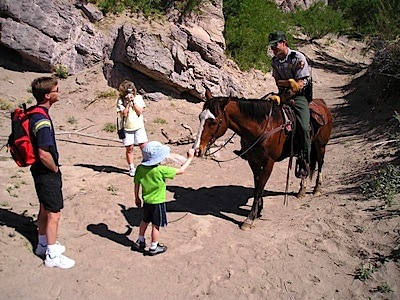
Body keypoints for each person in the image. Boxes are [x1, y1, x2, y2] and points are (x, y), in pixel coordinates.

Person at [30, 77, 75, 269]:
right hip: (47, 172)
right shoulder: (42, 121)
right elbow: (43, 153)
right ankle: (52, 255)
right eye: (57, 89)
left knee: (44, 208)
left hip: (38, 171)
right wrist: (55, 169)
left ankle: (42, 244)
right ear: (48, 95)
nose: (59, 92)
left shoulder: (34, 113)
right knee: (54, 214)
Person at [134, 141, 195, 256]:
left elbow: (136, 184)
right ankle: (154, 246)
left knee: (145, 221)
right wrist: (190, 158)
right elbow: (181, 171)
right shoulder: (161, 170)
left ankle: (140, 240)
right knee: (156, 225)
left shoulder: (140, 168)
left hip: (146, 201)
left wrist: (136, 197)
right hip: (158, 202)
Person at [268, 30, 312, 178]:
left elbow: (302, 83)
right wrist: (287, 84)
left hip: (299, 97)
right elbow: (277, 81)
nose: (273, 49)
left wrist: (288, 91)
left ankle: (304, 160)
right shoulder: (274, 61)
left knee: (305, 127)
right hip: (282, 94)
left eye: (275, 45)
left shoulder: (297, 58)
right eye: (271, 46)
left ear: (284, 43)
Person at [116, 80, 148, 176]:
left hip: (138, 127)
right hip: (127, 128)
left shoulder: (138, 98)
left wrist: (133, 102)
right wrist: (128, 104)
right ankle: (131, 167)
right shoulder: (120, 100)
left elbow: (139, 112)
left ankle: (146, 165)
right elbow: (124, 114)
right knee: (129, 148)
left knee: (144, 147)